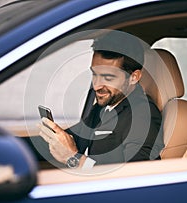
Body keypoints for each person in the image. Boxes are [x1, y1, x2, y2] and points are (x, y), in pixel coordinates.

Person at [38, 30, 162, 169]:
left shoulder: (143, 116)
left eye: (108, 78)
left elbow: (133, 178)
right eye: (94, 74)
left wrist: (73, 159)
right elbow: (74, 137)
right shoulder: (104, 106)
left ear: (134, 77)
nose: (96, 86)